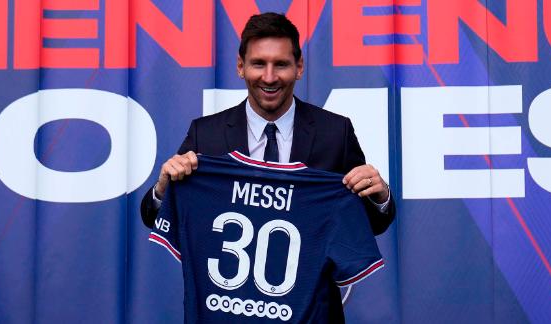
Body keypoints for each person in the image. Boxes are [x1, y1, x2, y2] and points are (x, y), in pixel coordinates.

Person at [140, 12, 395, 322]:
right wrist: (162, 188)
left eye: (282, 64)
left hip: (312, 313)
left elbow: (370, 223)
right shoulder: (206, 134)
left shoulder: (334, 133)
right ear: (241, 67)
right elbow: (154, 216)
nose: (270, 77)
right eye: (259, 63)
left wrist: (379, 197)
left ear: (299, 68)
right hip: (229, 314)